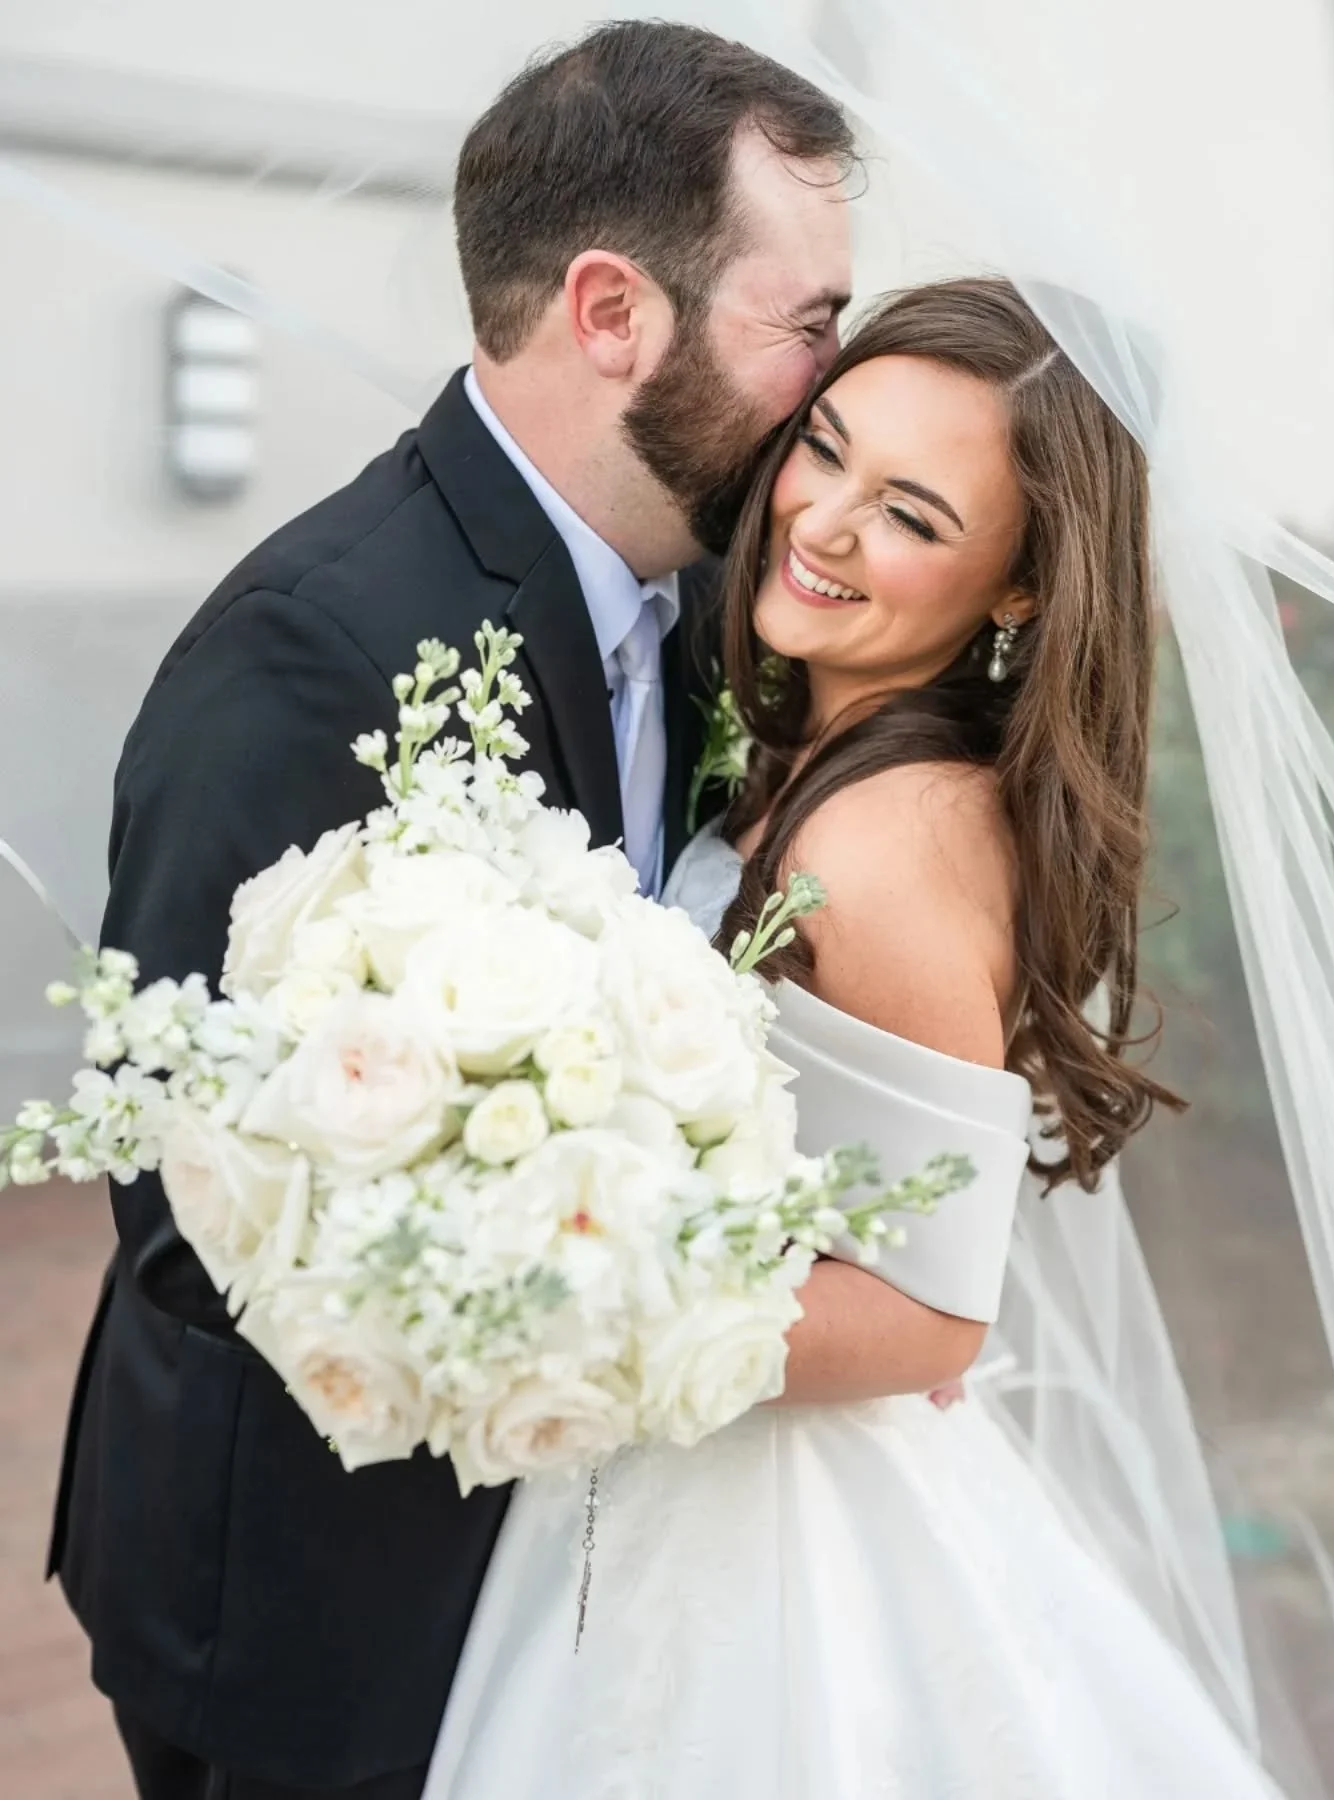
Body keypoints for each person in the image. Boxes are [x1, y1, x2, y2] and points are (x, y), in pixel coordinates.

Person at [47, 23, 854, 1800]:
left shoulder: (742, 594)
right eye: (807, 324)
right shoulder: (308, 648)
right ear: (612, 312)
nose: (836, 383)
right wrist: (603, 1278)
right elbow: (190, 1201)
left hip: (580, 1584)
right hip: (306, 1621)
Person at [419, 279, 1289, 1798]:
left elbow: (936, 1317)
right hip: (687, 1484)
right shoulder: (820, 734)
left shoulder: (888, 839)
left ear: (1016, 590)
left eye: (910, 514)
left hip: (764, 1536)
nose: (819, 522)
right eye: (824, 447)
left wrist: (550, 1285)